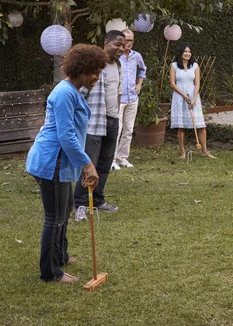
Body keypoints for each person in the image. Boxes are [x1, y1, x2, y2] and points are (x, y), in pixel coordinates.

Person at [26, 44, 105, 283]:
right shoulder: (64, 93)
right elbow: (66, 135)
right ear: (81, 69)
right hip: (52, 162)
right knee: (55, 217)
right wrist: (87, 164)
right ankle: (50, 273)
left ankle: (60, 256)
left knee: (65, 210)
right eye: (94, 71)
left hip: (61, 162)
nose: (97, 77)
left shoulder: (73, 92)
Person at [74, 30, 125, 220]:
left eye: (123, 45)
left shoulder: (119, 65)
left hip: (112, 120)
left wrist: (116, 114)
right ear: (106, 43)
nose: (121, 48)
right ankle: (80, 204)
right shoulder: (95, 65)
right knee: (90, 164)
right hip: (94, 121)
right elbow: (80, 91)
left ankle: (98, 200)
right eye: (117, 44)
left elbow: (117, 91)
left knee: (105, 164)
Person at [169, 44, 216, 159]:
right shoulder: (174, 66)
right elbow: (172, 83)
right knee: (181, 126)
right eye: (185, 51)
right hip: (179, 97)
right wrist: (185, 96)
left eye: (189, 52)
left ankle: (205, 151)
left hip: (193, 97)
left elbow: (198, 83)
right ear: (181, 53)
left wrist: (194, 99)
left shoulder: (195, 66)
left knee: (200, 125)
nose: (187, 53)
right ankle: (183, 153)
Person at [111, 28, 147, 170]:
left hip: (132, 97)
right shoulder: (115, 56)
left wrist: (139, 84)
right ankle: (112, 159)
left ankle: (122, 157)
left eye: (131, 40)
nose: (129, 43)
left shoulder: (136, 56)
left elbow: (143, 70)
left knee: (128, 130)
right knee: (117, 130)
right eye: (126, 40)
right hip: (118, 99)